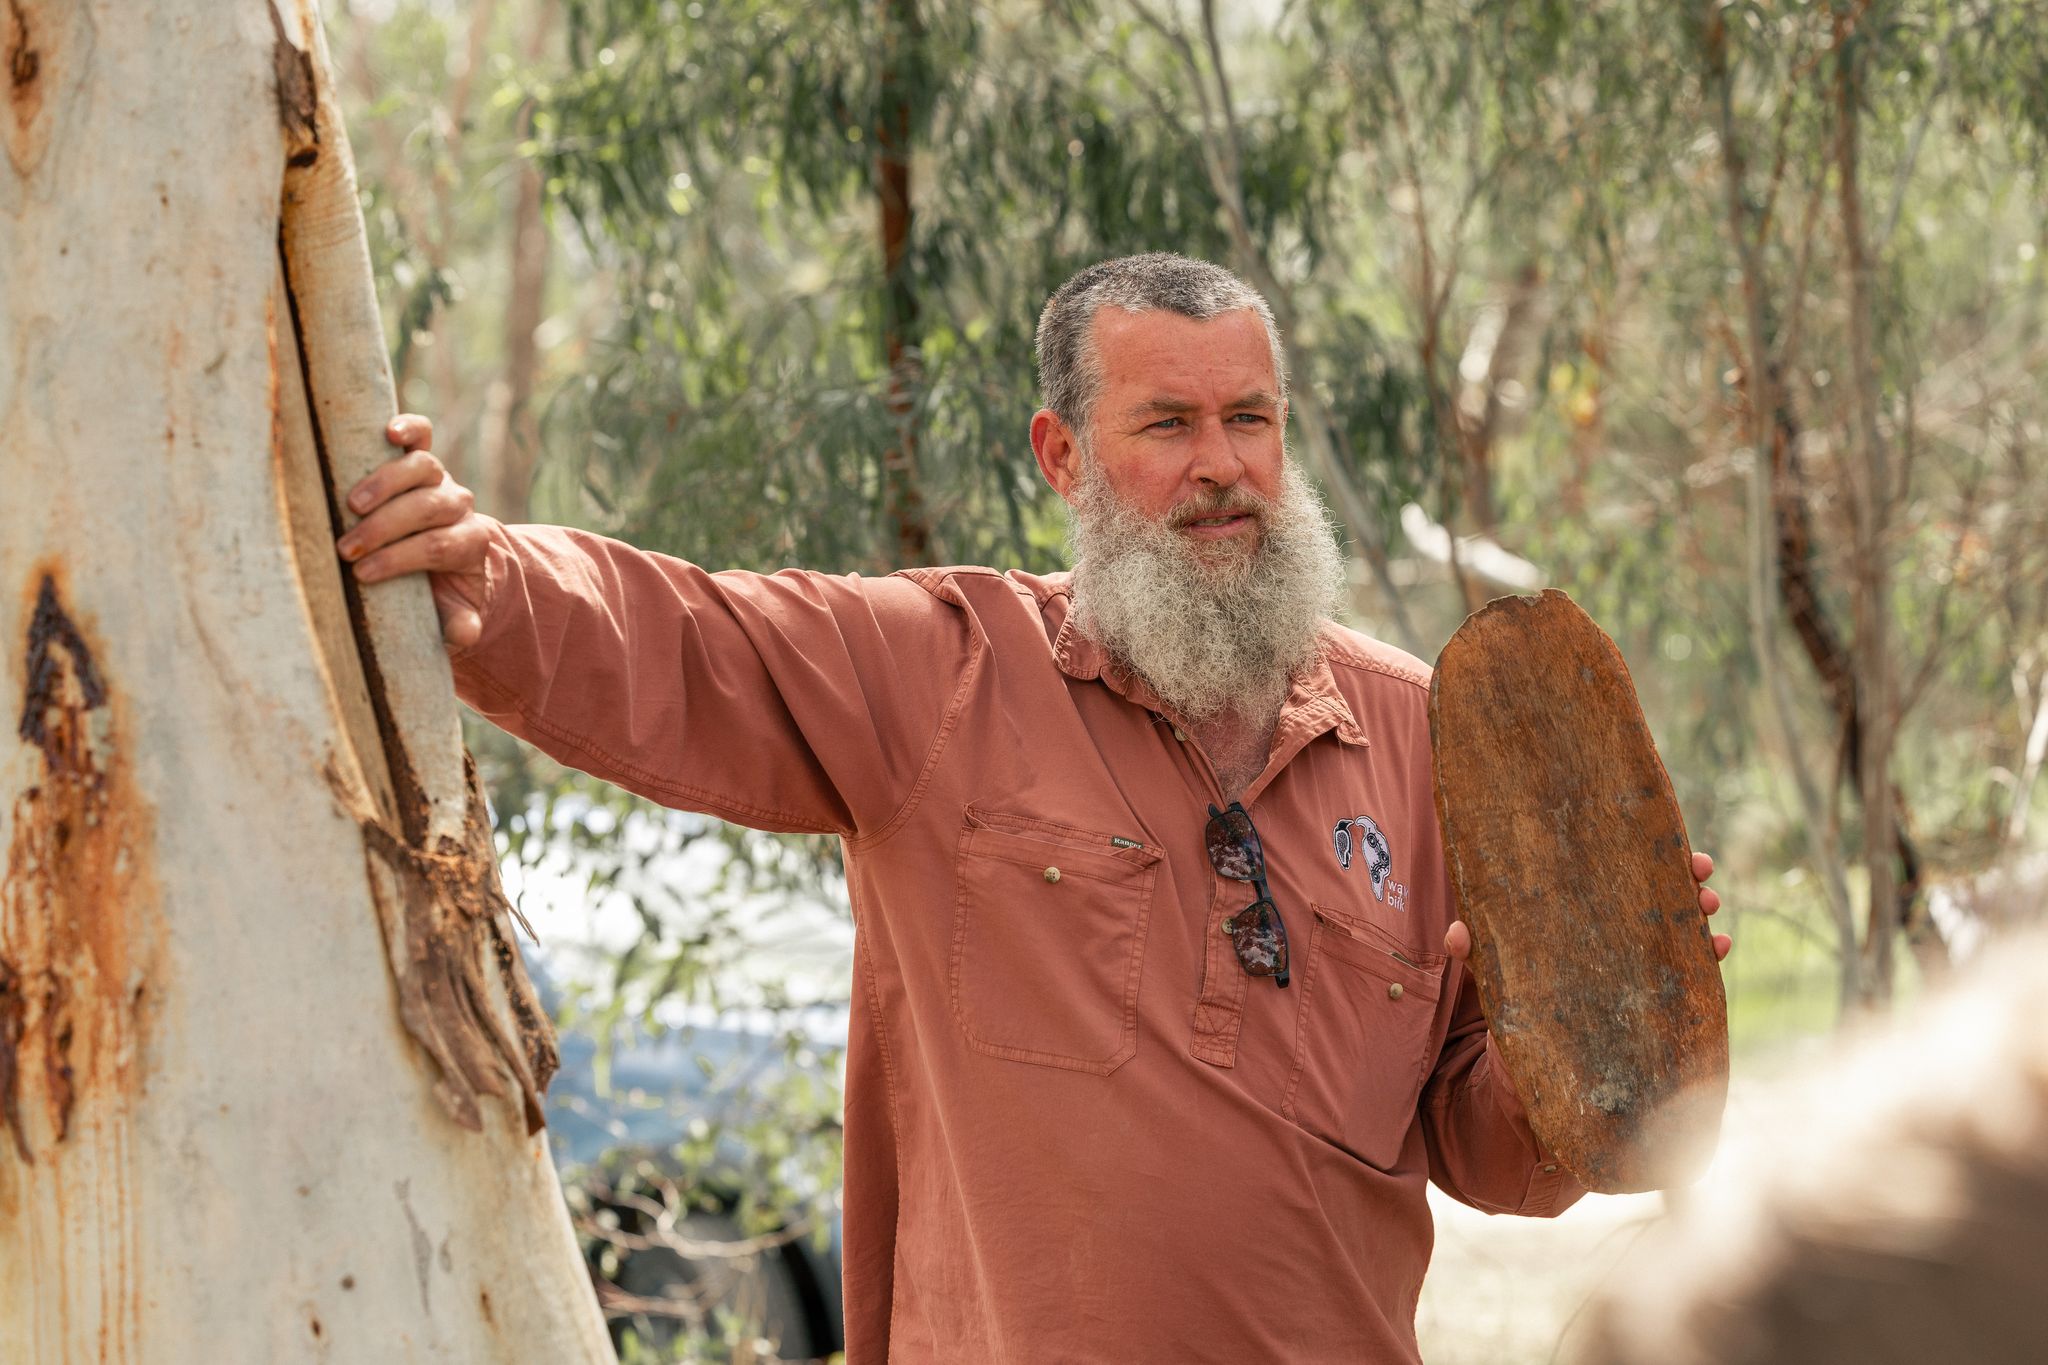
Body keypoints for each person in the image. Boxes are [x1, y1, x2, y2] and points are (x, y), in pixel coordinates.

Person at [338, 253, 1728, 1364]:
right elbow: (691, 637)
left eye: (1250, 419)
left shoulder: (1421, 731)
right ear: (1063, 455)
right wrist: (485, 576)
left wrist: (1618, 1016)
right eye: (1168, 424)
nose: (1223, 464)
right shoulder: (944, 671)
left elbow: (1484, 1145)